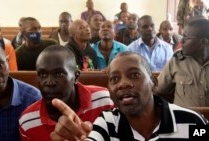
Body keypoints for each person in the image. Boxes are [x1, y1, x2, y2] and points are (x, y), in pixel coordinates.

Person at [50, 52, 209, 141]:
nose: (123, 84)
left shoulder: (192, 122)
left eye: (134, 74)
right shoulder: (107, 122)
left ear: (153, 82)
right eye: (114, 79)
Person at [19, 45, 114, 141]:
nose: (50, 82)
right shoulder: (27, 122)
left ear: (76, 77)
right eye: (43, 74)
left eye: (59, 74)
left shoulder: (104, 100)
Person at [157, 18, 209, 107]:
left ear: (203, 42)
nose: (181, 41)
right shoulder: (177, 60)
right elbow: (159, 90)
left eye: (186, 37)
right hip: (183, 119)